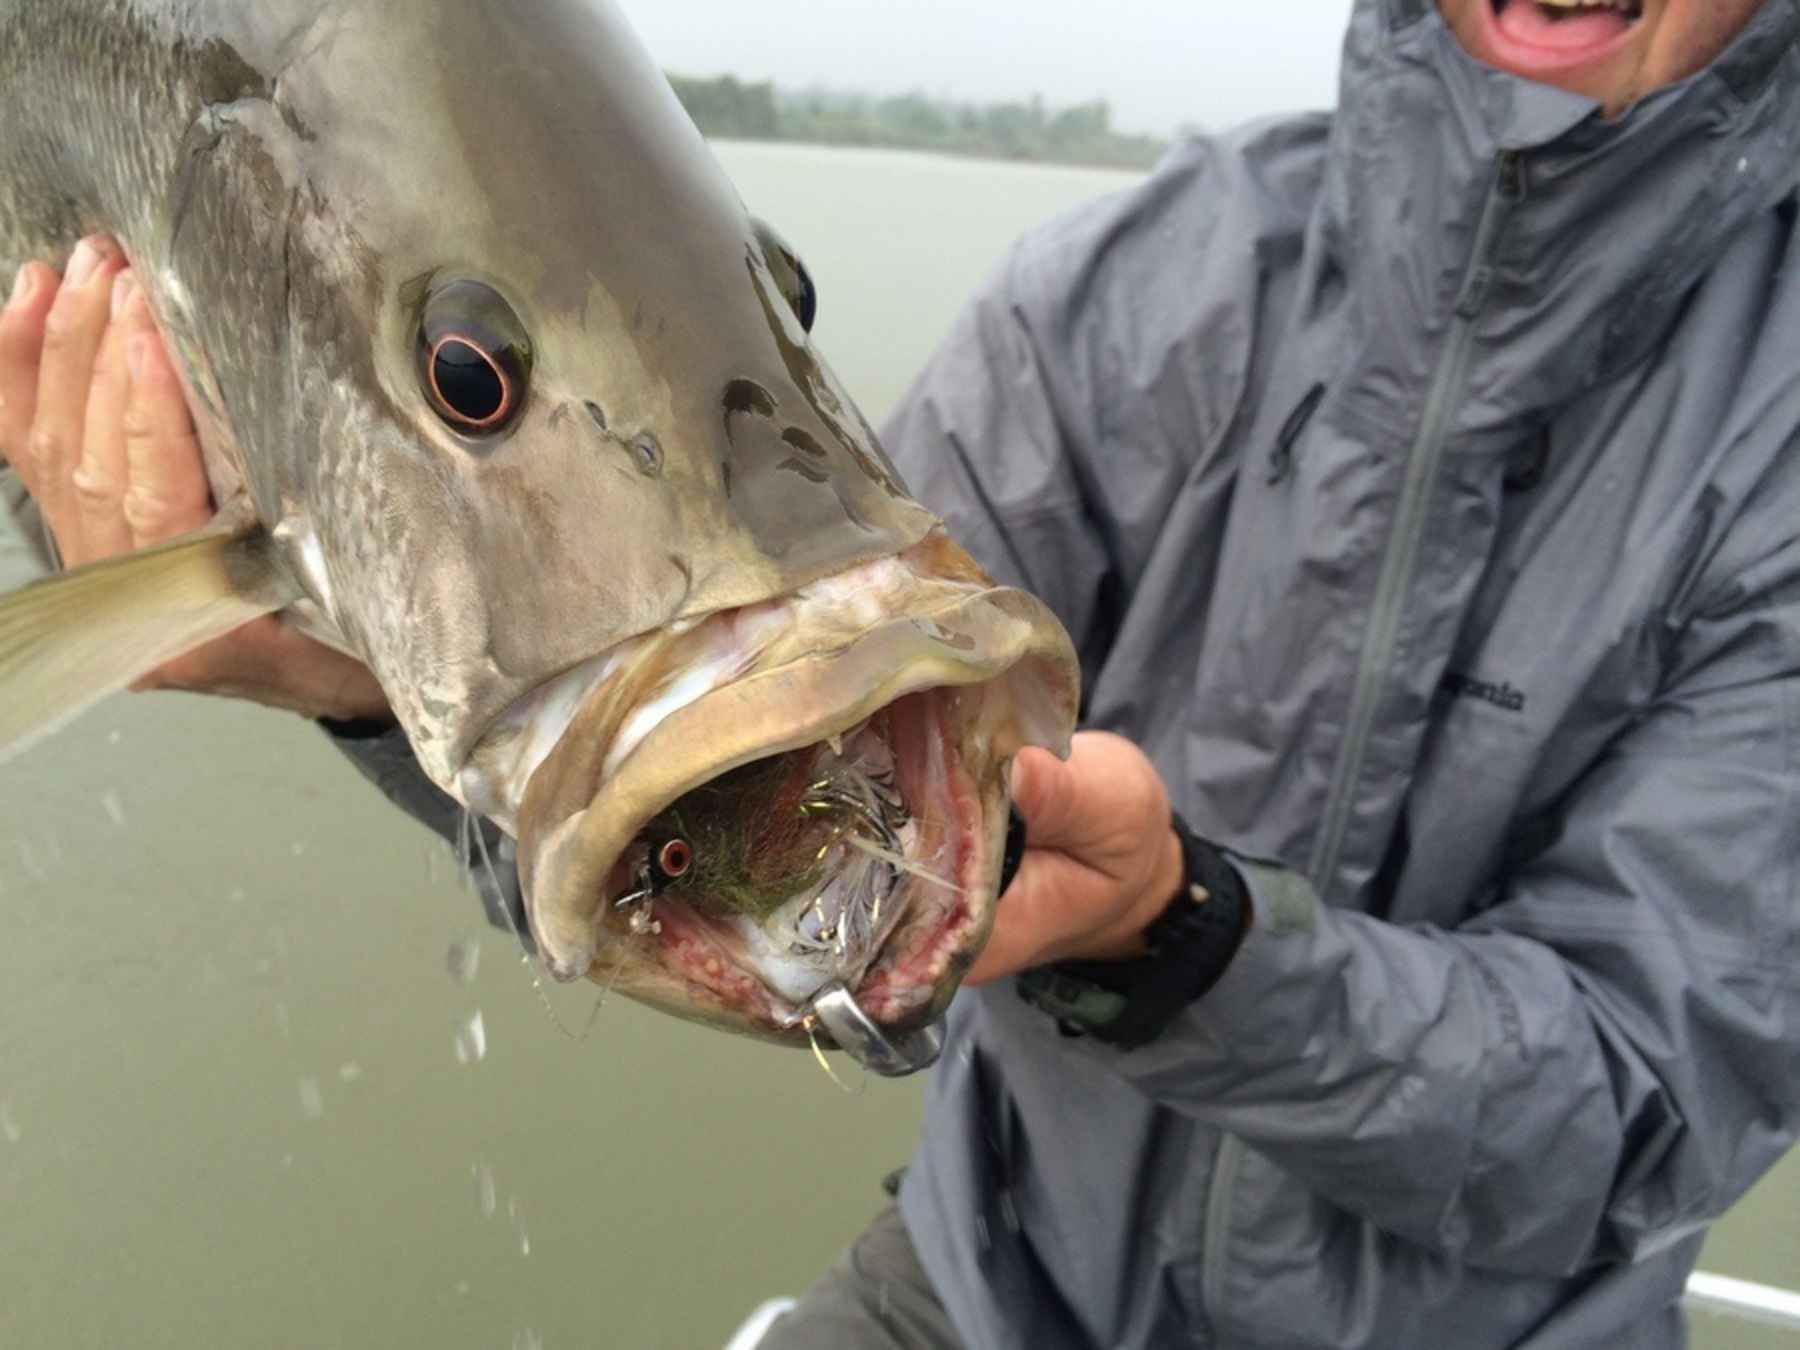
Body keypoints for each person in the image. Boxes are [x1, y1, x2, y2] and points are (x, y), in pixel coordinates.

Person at [2, 0, 1797, 1344]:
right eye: (469, 375)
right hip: (977, 1288)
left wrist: (1181, 947)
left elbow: (1630, 1120)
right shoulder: (1130, 296)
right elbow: (799, 907)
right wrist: (362, 683)